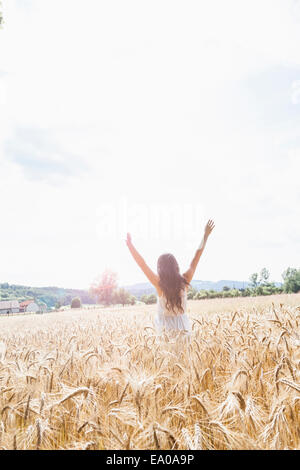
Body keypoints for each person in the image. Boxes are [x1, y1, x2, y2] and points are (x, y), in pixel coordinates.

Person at [125, 219, 215, 337]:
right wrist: (205, 235)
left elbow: (142, 264)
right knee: (185, 355)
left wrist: (130, 246)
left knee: (167, 355)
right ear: (176, 266)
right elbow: (196, 258)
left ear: (160, 268)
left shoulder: (159, 283)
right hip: (183, 327)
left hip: (165, 331)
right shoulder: (185, 280)